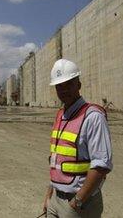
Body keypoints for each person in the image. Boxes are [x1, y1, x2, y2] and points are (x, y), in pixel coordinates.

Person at [42, 59, 113, 218]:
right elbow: (56, 160)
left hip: (79, 203)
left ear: (78, 85)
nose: (63, 89)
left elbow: (102, 165)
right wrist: (49, 195)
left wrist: (77, 202)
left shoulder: (93, 116)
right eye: (59, 86)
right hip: (56, 198)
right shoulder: (60, 115)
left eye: (68, 84)